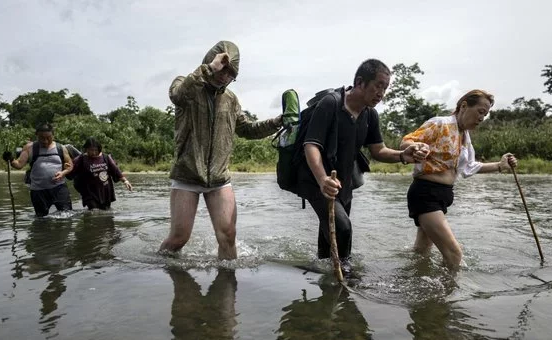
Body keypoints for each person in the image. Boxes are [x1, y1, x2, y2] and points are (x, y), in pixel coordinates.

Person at [298, 59, 429, 276]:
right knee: (343, 227)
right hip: (316, 179)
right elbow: (311, 145)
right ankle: (348, 277)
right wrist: (322, 180)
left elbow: (379, 150)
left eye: (385, 88)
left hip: (344, 182)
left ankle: (322, 275)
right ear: (360, 82)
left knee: (330, 232)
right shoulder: (331, 104)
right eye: (378, 85)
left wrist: (403, 155)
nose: (381, 93)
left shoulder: (370, 114)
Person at [158, 40, 282, 259]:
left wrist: (277, 122)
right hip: (187, 175)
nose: (225, 76)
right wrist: (208, 69)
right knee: (179, 238)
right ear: (211, 62)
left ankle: (227, 286)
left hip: (219, 179)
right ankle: (160, 267)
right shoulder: (187, 84)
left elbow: (246, 129)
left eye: (231, 73)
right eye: (223, 69)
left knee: (228, 236)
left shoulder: (231, 100)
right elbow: (177, 96)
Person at [400, 89, 518, 269]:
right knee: (455, 255)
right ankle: (449, 296)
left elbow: (469, 167)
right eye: (480, 111)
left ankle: (412, 282)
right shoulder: (441, 124)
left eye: (485, 115)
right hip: (426, 194)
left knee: (422, 251)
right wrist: (415, 147)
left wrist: (500, 165)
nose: (482, 118)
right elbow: (407, 141)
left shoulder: (465, 138)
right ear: (464, 106)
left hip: (442, 196)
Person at [2, 123, 74, 217]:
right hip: (38, 191)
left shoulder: (61, 148)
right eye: (41, 138)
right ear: (37, 135)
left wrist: (63, 173)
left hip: (59, 188)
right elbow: (19, 164)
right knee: (41, 219)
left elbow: (70, 166)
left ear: (53, 135)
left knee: (67, 215)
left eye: (48, 137)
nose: (45, 141)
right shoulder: (29, 148)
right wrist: (10, 159)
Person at [67, 137, 132, 211]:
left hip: (105, 191)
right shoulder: (81, 159)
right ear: (86, 149)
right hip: (89, 192)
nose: (93, 152)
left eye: (95, 150)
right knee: (94, 211)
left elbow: (115, 170)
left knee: (106, 211)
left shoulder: (105, 157)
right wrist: (66, 169)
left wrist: (125, 181)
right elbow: (71, 169)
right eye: (91, 150)